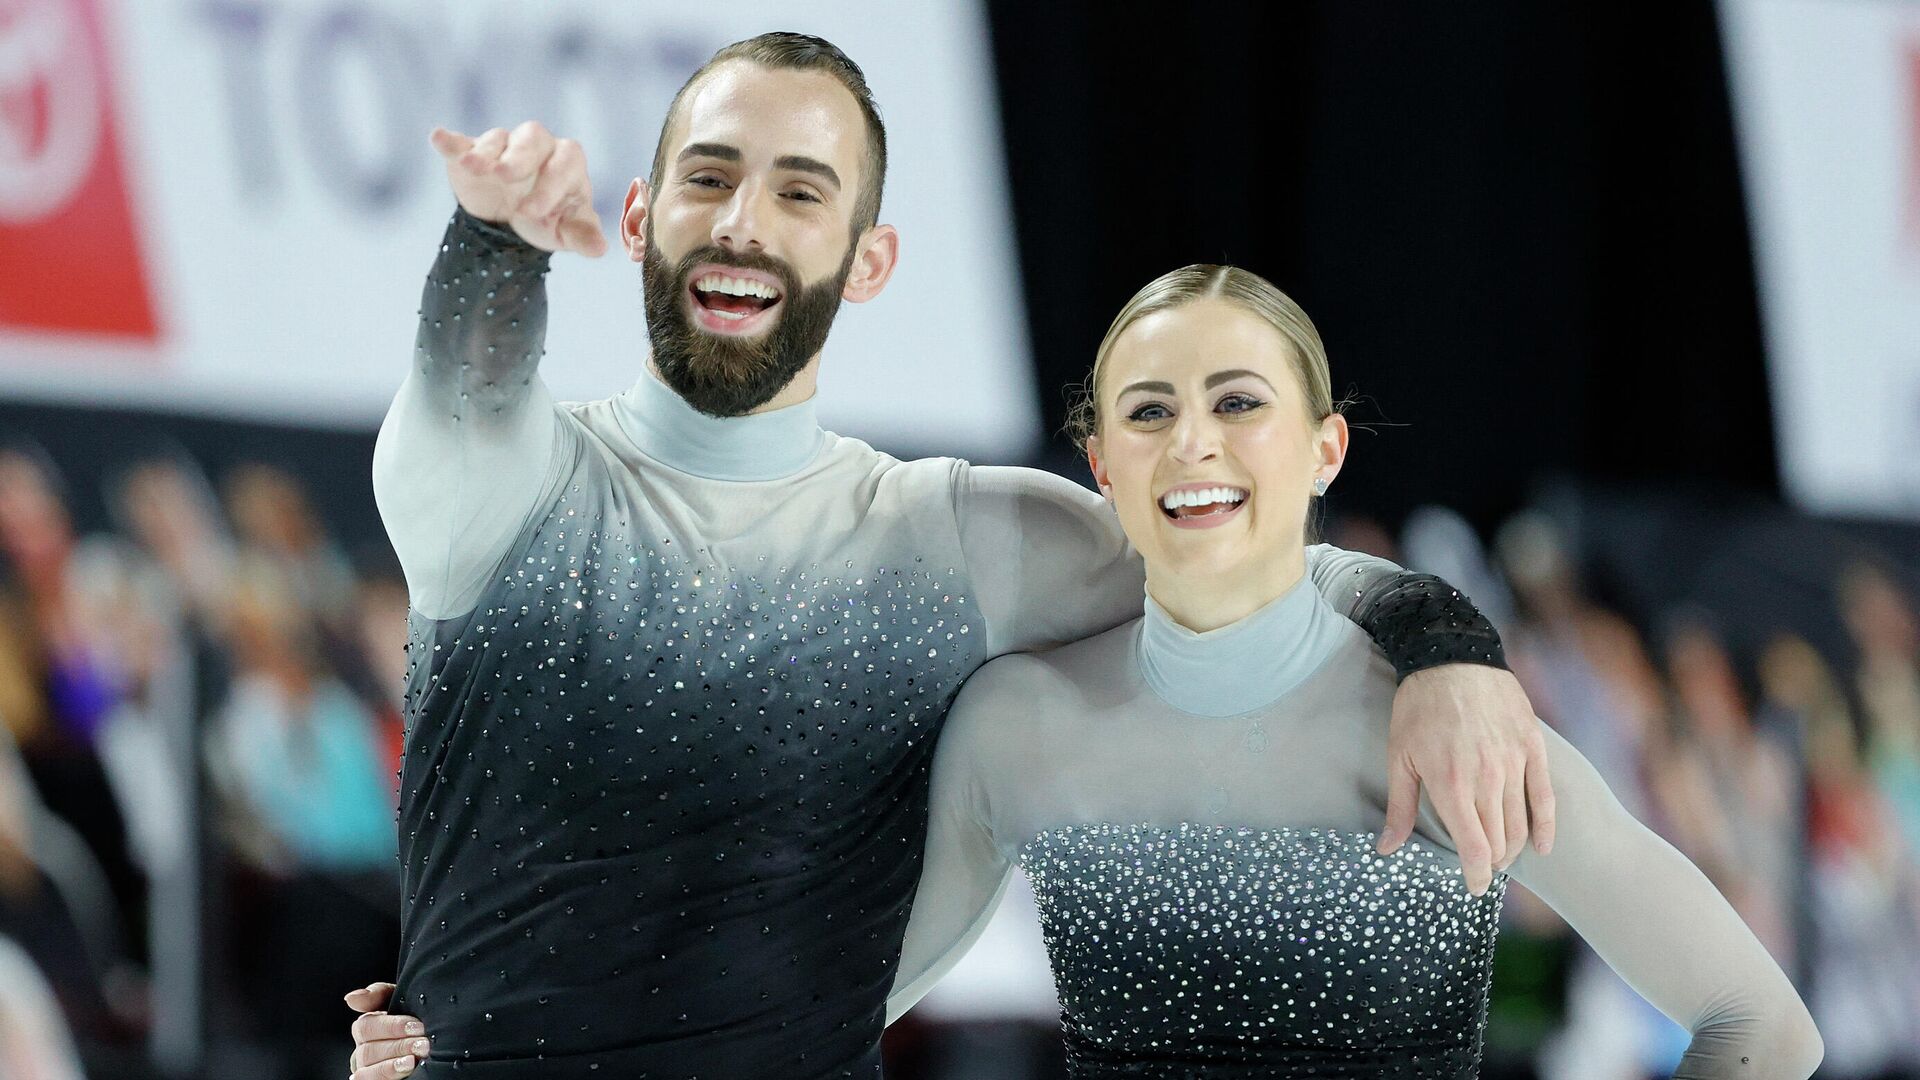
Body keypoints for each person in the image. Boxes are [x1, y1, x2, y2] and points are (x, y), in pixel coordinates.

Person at [344, 33, 1553, 1080]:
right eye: (709, 177)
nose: (744, 222)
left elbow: (1245, 573)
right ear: (641, 215)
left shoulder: (955, 541)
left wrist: (1445, 644)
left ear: (869, 260)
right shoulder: (507, 491)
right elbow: (471, 378)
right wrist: (495, 236)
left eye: (802, 193)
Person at [884, 265, 1823, 1077]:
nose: (1191, 442)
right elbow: (820, 1023)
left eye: (1239, 402)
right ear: (1101, 465)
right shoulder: (1016, 725)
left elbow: (1761, 1026)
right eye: (1149, 411)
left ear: (1326, 450)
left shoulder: (1455, 737)